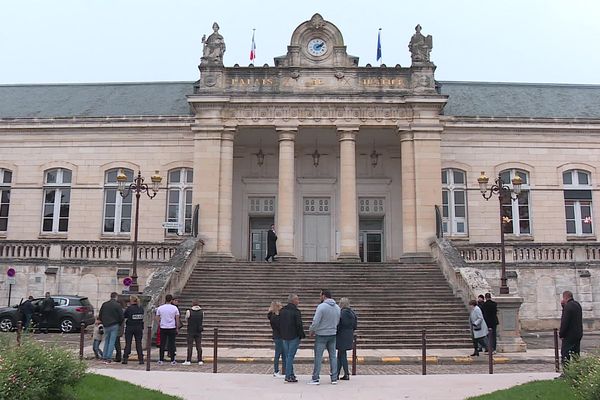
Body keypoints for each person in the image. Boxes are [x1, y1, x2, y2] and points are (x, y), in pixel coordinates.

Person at [308, 289, 341, 385]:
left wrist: (312, 330)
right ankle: (334, 378)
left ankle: (315, 378)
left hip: (321, 334)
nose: (319, 297)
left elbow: (316, 321)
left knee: (318, 357)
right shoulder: (337, 307)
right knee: (333, 356)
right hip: (333, 333)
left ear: (324, 296)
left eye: (320, 295)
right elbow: (338, 321)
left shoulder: (321, 307)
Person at [279, 294, 305, 383]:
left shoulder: (282, 310)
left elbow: (280, 324)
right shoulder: (296, 311)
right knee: (290, 356)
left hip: (284, 336)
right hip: (294, 336)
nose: (298, 301)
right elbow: (299, 325)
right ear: (293, 301)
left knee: (288, 356)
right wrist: (301, 335)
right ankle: (288, 375)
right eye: (297, 299)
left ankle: (291, 374)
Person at [559, 290, 583, 366]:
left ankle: (566, 372)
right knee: (576, 354)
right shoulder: (577, 305)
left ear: (565, 297)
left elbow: (565, 321)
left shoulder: (568, 307)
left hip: (569, 335)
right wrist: (564, 306)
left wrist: (561, 334)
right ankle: (577, 371)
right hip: (578, 334)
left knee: (565, 353)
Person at [99, 292, 124, 364]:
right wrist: (119, 323)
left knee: (106, 341)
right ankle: (109, 358)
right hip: (114, 324)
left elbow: (100, 315)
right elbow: (121, 316)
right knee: (112, 342)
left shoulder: (105, 304)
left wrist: (103, 322)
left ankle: (104, 356)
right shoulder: (117, 305)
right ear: (116, 297)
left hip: (106, 325)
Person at [336, 297, 357, 381]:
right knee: (341, 354)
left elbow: (339, 324)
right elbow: (355, 325)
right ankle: (337, 373)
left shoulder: (342, 313)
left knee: (342, 355)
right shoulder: (352, 313)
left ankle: (346, 373)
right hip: (349, 335)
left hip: (341, 335)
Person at [156, 294, 180, 365]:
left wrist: (159, 324)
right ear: (171, 300)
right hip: (172, 327)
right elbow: (177, 318)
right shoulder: (174, 308)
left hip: (163, 327)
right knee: (171, 344)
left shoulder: (160, 308)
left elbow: (157, 317)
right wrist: (177, 327)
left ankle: (161, 359)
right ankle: (172, 360)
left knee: (162, 344)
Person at [122, 295, 145, 365]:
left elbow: (124, 315)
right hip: (139, 327)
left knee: (128, 343)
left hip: (130, 327)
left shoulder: (129, 308)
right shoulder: (141, 308)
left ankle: (125, 358)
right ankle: (141, 359)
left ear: (131, 300)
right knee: (139, 343)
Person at [183, 299, 204, 366]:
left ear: (192, 303)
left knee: (190, 346)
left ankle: (189, 360)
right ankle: (200, 360)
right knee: (199, 345)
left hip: (191, 330)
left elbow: (186, 319)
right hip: (198, 330)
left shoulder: (189, 311)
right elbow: (202, 319)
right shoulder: (201, 312)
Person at [268, 301, 285, 377]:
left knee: (283, 354)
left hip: (279, 336)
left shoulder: (274, 316)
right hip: (279, 336)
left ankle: (283, 370)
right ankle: (276, 371)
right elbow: (278, 326)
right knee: (278, 353)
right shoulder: (274, 317)